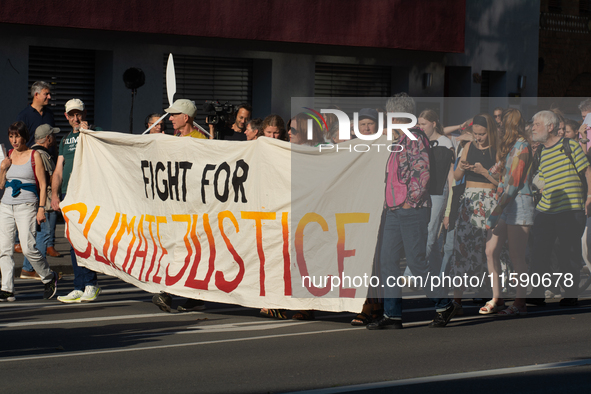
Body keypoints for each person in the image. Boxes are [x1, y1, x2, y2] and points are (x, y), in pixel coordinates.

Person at [367, 93, 457, 330]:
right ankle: (392, 314)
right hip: (395, 209)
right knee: (388, 260)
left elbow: (422, 173)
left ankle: (443, 303)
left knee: (416, 263)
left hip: (410, 209)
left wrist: (410, 202)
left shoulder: (414, 138)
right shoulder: (400, 139)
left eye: (391, 116)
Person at [526, 110, 591, 307]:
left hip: (570, 210)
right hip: (546, 209)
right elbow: (543, 178)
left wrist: (588, 197)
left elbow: (587, 172)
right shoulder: (542, 152)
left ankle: (570, 293)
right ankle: (538, 292)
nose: (533, 128)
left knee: (568, 253)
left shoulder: (569, 145)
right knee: (539, 252)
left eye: (537, 124)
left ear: (550, 127)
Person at [152, 99, 208, 313]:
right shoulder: (175, 138)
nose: (170, 118)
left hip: (192, 208)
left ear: (186, 117)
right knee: (177, 250)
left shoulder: (199, 140)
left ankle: (168, 293)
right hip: (175, 206)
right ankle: (192, 295)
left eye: (174, 115)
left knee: (183, 251)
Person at [0, 121, 58, 301]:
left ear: (25, 136)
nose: (14, 140)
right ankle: (7, 288)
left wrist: (41, 208)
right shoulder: (8, 155)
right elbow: (1, 184)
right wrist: (2, 168)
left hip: (27, 206)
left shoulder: (34, 155)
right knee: (4, 249)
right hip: (6, 205)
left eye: (17, 136)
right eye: (11, 136)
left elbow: (42, 184)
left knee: (27, 247)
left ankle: (48, 276)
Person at [484, 109, 534, 316]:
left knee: (516, 256)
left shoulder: (522, 145)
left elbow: (514, 184)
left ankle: (520, 301)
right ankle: (497, 297)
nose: (500, 127)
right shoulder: (513, 146)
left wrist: (495, 213)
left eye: (503, 124)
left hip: (518, 202)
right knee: (491, 250)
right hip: (506, 202)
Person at [52, 99, 101, 303]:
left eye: (78, 114)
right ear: (66, 116)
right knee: (73, 241)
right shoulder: (64, 140)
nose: (75, 118)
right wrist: (54, 194)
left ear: (85, 113)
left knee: (87, 238)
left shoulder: (94, 132)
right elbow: (58, 170)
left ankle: (91, 283)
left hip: (87, 192)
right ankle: (79, 286)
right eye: (71, 115)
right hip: (68, 194)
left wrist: (87, 132)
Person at [451, 114, 499, 310]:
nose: (478, 138)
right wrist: (462, 167)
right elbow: (456, 176)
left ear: (491, 132)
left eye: (482, 134)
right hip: (469, 199)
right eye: (476, 134)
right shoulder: (468, 147)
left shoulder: (497, 150)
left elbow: (501, 181)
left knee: (488, 250)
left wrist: (484, 172)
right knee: (462, 245)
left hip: (489, 199)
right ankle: (457, 298)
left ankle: (489, 292)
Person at [20, 124, 60, 280]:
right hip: (44, 201)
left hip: (32, 199)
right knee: (43, 234)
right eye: (53, 136)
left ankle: (27, 268)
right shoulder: (43, 155)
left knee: (33, 235)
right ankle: (37, 269)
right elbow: (49, 179)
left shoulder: (29, 152)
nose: (54, 139)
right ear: (48, 138)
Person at [16, 81, 55, 147]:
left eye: (49, 94)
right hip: (32, 156)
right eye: (46, 94)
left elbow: (53, 138)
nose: (49, 97)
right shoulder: (24, 116)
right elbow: (19, 140)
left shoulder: (49, 114)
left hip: (49, 156)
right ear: (36, 95)